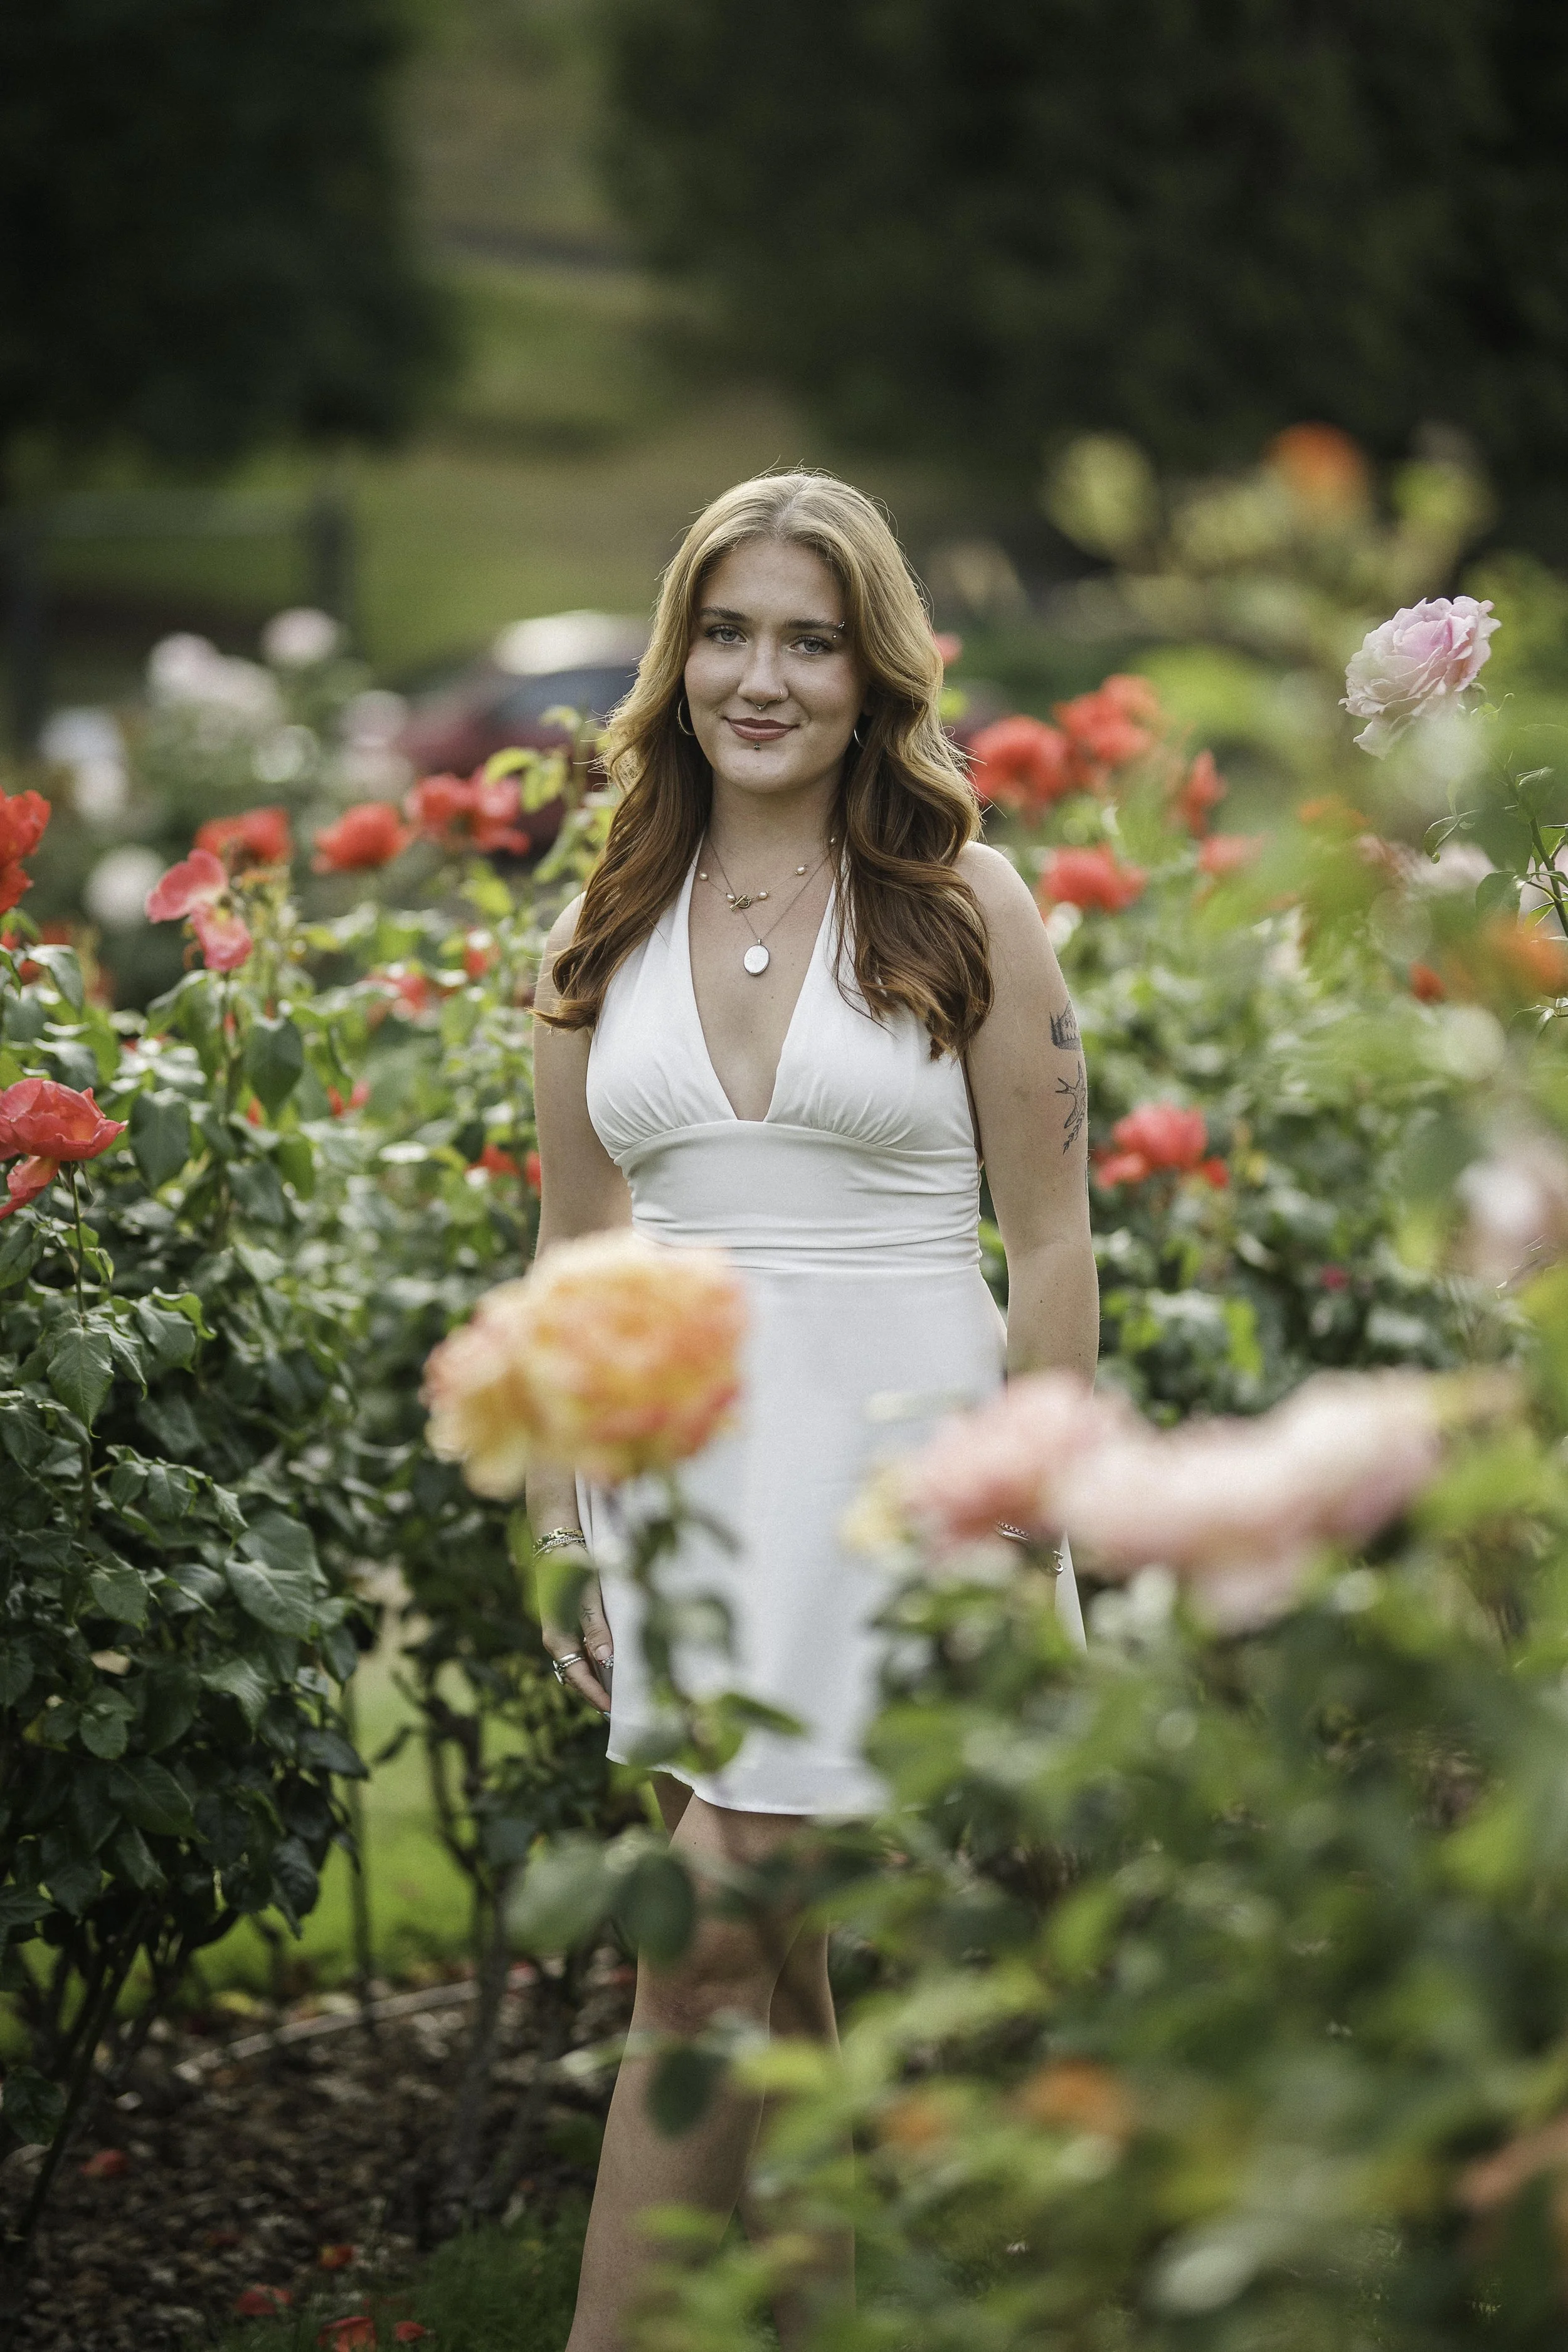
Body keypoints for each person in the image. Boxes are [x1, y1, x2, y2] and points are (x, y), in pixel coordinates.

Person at [528, 470, 1098, 2351]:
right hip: (689, 1490)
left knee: (692, 1949)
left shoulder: (967, 902)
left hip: (897, 1479)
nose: (759, 676)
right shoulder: (600, 923)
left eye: (808, 638)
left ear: (874, 672)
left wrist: (1033, 1517)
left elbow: (1053, 1240)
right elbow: (577, 1244)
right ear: (676, 651)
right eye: (727, 631)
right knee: (770, 1978)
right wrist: (564, 1514)